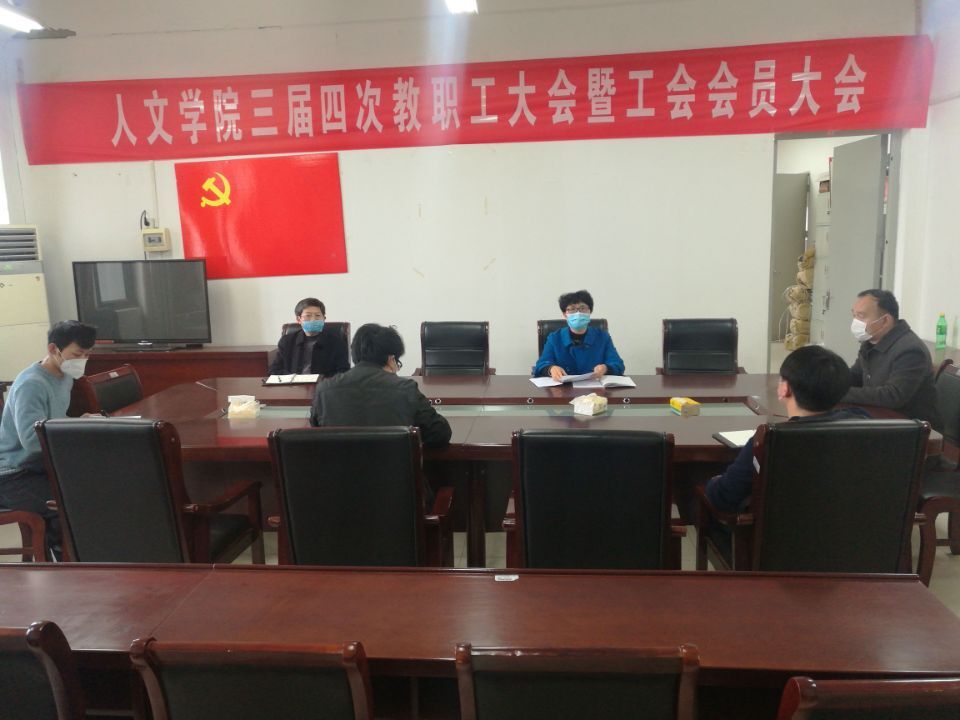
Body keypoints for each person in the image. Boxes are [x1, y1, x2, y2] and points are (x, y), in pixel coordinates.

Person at [704, 344, 869, 514]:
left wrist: (713, 481)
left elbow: (723, 497)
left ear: (785, 389)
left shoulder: (768, 439)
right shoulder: (863, 424)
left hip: (778, 529)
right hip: (850, 524)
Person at [0, 320, 97, 558]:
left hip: (39, 466)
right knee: (66, 506)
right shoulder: (31, 385)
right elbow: (32, 441)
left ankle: (84, 559)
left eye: (87, 354)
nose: (82, 360)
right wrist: (75, 429)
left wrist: (78, 422)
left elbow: (52, 421)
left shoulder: (64, 376)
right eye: (77, 354)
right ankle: (64, 564)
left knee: (94, 488)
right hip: (14, 474)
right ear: (53, 349)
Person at [310, 323, 452, 448]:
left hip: (338, 470)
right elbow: (440, 433)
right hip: (394, 470)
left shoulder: (324, 390)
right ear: (391, 359)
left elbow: (316, 430)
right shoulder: (405, 389)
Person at [843, 289, 941, 428]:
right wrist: (827, 384)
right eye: (854, 315)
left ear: (885, 320)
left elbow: (893, 396)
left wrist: (840, 393)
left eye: (861, 316)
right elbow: (855, 376)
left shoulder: (911, 350)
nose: (855, 322)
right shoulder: (870, 343)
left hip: (913, 429)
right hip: (881, 418)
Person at [533, 290, 625, 380]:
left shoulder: (603, 337)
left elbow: (617, 364)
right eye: (572, 309)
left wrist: (606, 368)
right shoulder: (554, 338)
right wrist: (551, 369)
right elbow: (541, 365)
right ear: (565, 314)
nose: (578, 313)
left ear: (589, 312)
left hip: (594, 387)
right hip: (563, 388)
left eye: (582, 308)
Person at [268, 297, 349, 377]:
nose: (313, 319)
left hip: (323, 384)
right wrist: (294, 378)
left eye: (317, 315)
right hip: (293, 384)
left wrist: (321, 380)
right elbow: (274, 370)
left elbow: (343, 372)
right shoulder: (287, 341)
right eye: (308, 315)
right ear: (299, 319)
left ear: (324, 319)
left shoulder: (336, 342)